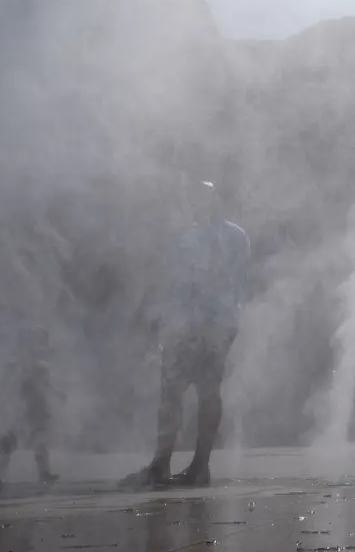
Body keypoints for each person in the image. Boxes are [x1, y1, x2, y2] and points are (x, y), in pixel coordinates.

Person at [121, 180, 250, 489]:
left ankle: (194, 465)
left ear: (217, 200)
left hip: (210, 322)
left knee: (201, 389)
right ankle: (165, 463)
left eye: (205, 198)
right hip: (195, 321)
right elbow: (174, 283)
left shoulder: (225, 236)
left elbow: (229, 281)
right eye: (194, 199)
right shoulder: (193, 236)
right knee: (174, 389)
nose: (198, 204)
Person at [0, 325, 59, 496]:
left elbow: (43, 385)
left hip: (31, 409)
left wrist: (56, 393)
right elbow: (8, 386)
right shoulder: (23, 365)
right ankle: (1, 479)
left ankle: (42, 475)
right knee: (11, 444)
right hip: (23, 409)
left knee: (37, 443)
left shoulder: (35, 364)